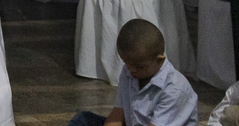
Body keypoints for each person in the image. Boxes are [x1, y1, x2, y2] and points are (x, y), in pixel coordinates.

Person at [65, 18, 197, 126]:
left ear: (159, 60)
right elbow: (118, 113)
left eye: (139, 67)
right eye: (127, 64)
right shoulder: (129, 71)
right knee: (82, 119)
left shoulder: (174, 89)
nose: (132, 70)